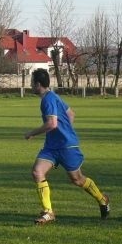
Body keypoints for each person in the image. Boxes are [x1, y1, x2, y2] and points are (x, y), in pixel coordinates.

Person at [25, 68, 110, 225]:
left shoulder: (48, 99)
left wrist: (32, 133)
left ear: (38, 84)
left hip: (66, 146)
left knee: (77, 179)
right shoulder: (54, 96)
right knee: (37, 172)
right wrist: (64, 130)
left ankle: (101, 198)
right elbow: (71, 114)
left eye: (31, 82)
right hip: (51, 147)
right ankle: (48, 212)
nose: (30, 85)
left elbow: (52, 123)